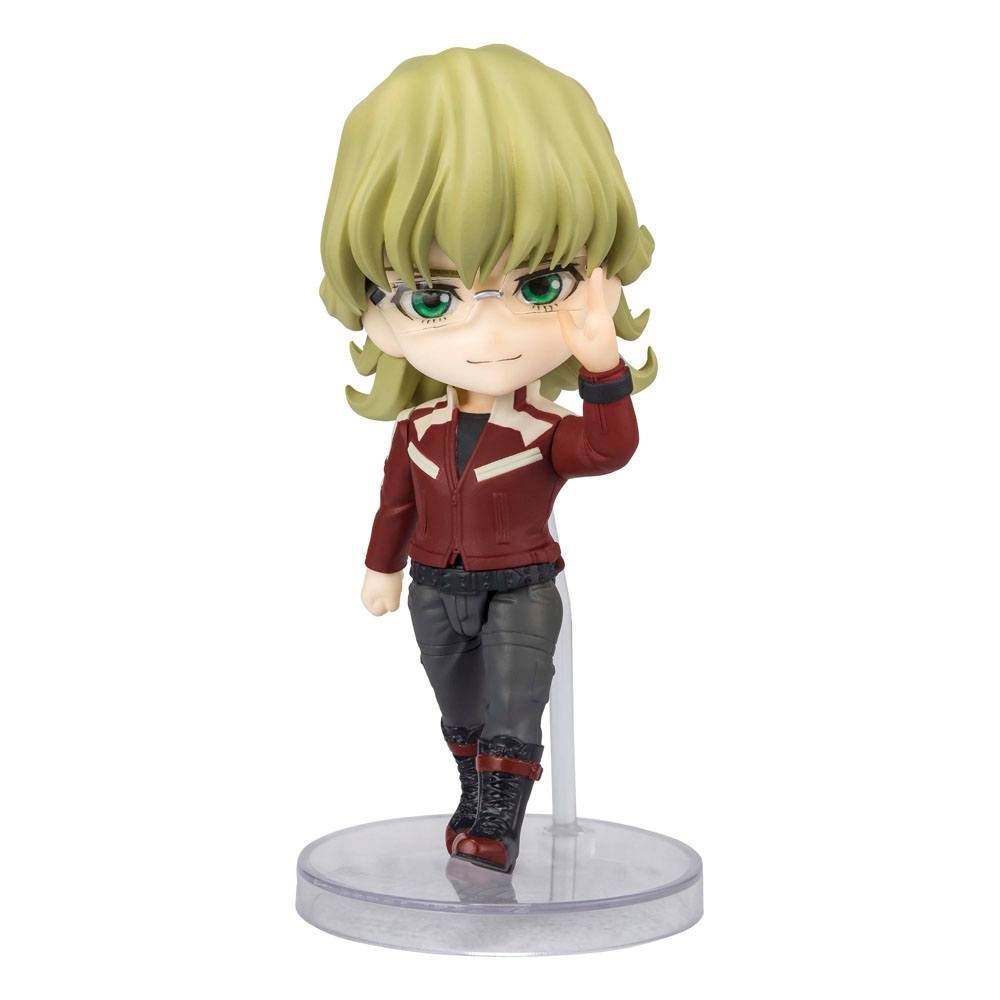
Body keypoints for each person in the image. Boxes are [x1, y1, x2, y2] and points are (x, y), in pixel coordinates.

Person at [318, 44, 657, 873]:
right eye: (433, 297)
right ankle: (472, 792)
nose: (492, 331)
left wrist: (602, 366)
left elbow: (607, 447)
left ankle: (498, 822)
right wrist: (381, 568)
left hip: (521, 584)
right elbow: (396, 505)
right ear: (378, 312)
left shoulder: (541, 429)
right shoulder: (418, 429)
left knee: (514, 701)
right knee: (458, 704)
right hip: (436, 585)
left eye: (540, 285)